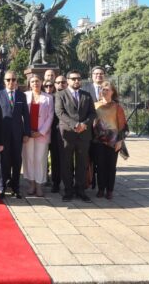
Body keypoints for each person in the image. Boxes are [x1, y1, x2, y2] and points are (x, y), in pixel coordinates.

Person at [54, 70, 96, 202]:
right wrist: (75, 124)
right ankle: (68, 190)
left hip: (84, 134)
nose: (77, 81)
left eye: (78, 78)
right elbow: (60, 112)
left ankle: (80, 190)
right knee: (66, 163)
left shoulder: (87, 95)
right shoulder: (60, 95)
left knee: (82, 164)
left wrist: (84, 124)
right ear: (68, 81)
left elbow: (92, 113)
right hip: (67, 134)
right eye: (73, 79)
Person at [0, 71, 30, 199]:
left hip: (17, 134)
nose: (11, 82)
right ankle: (2, 187)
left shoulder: (21, 95)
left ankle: (16, 188)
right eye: (8, 79)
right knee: (3, 161)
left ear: (16, 81)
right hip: (3, 135)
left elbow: (26, 115)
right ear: (4, 81)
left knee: (16, 161)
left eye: (13, 79)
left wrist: (26, 133)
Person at [93, 81, 128, 200]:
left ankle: (109, 190)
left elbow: (123, 126)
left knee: (111, 166)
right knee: (100, 166)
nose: (105, 91)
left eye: (107, 89)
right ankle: (100, 189)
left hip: (113, 141)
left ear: (112, 92)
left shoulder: (117, 107)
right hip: (98, 140)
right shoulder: (95, 105)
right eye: (103, 89)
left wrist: (120, 141)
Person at [23, 75, 53, 197]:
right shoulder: (24, 96)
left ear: (41, 83)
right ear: (29, 84)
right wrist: (26, 131)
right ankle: (31, 184)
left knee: (40, 159)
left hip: (42, 134)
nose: (35, 83)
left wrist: (41, 132)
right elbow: (21, 115)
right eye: (33, 81)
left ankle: (39, 185)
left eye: (37, 81)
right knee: (29, 158)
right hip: (28, 134)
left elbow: (50, 116)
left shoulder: (49, 98)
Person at [84, 66, 107, 191]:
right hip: (89, 129)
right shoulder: (85, 89)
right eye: (96, 73)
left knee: (102, 158)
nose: (99, 75)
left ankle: (102, 184)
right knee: (89, 156)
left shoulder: (108, 89)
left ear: (104, 75)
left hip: (105, 130)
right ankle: (89, 180)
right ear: (92, 75)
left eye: (101, 73)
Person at [46, 76, 62, 193]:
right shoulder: (43, 98)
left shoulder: (58, 97)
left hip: (56, 132)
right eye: (46, 86)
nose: (48, 88)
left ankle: (56, 182)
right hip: (43, 132)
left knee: (56, 158)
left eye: (50, 86)